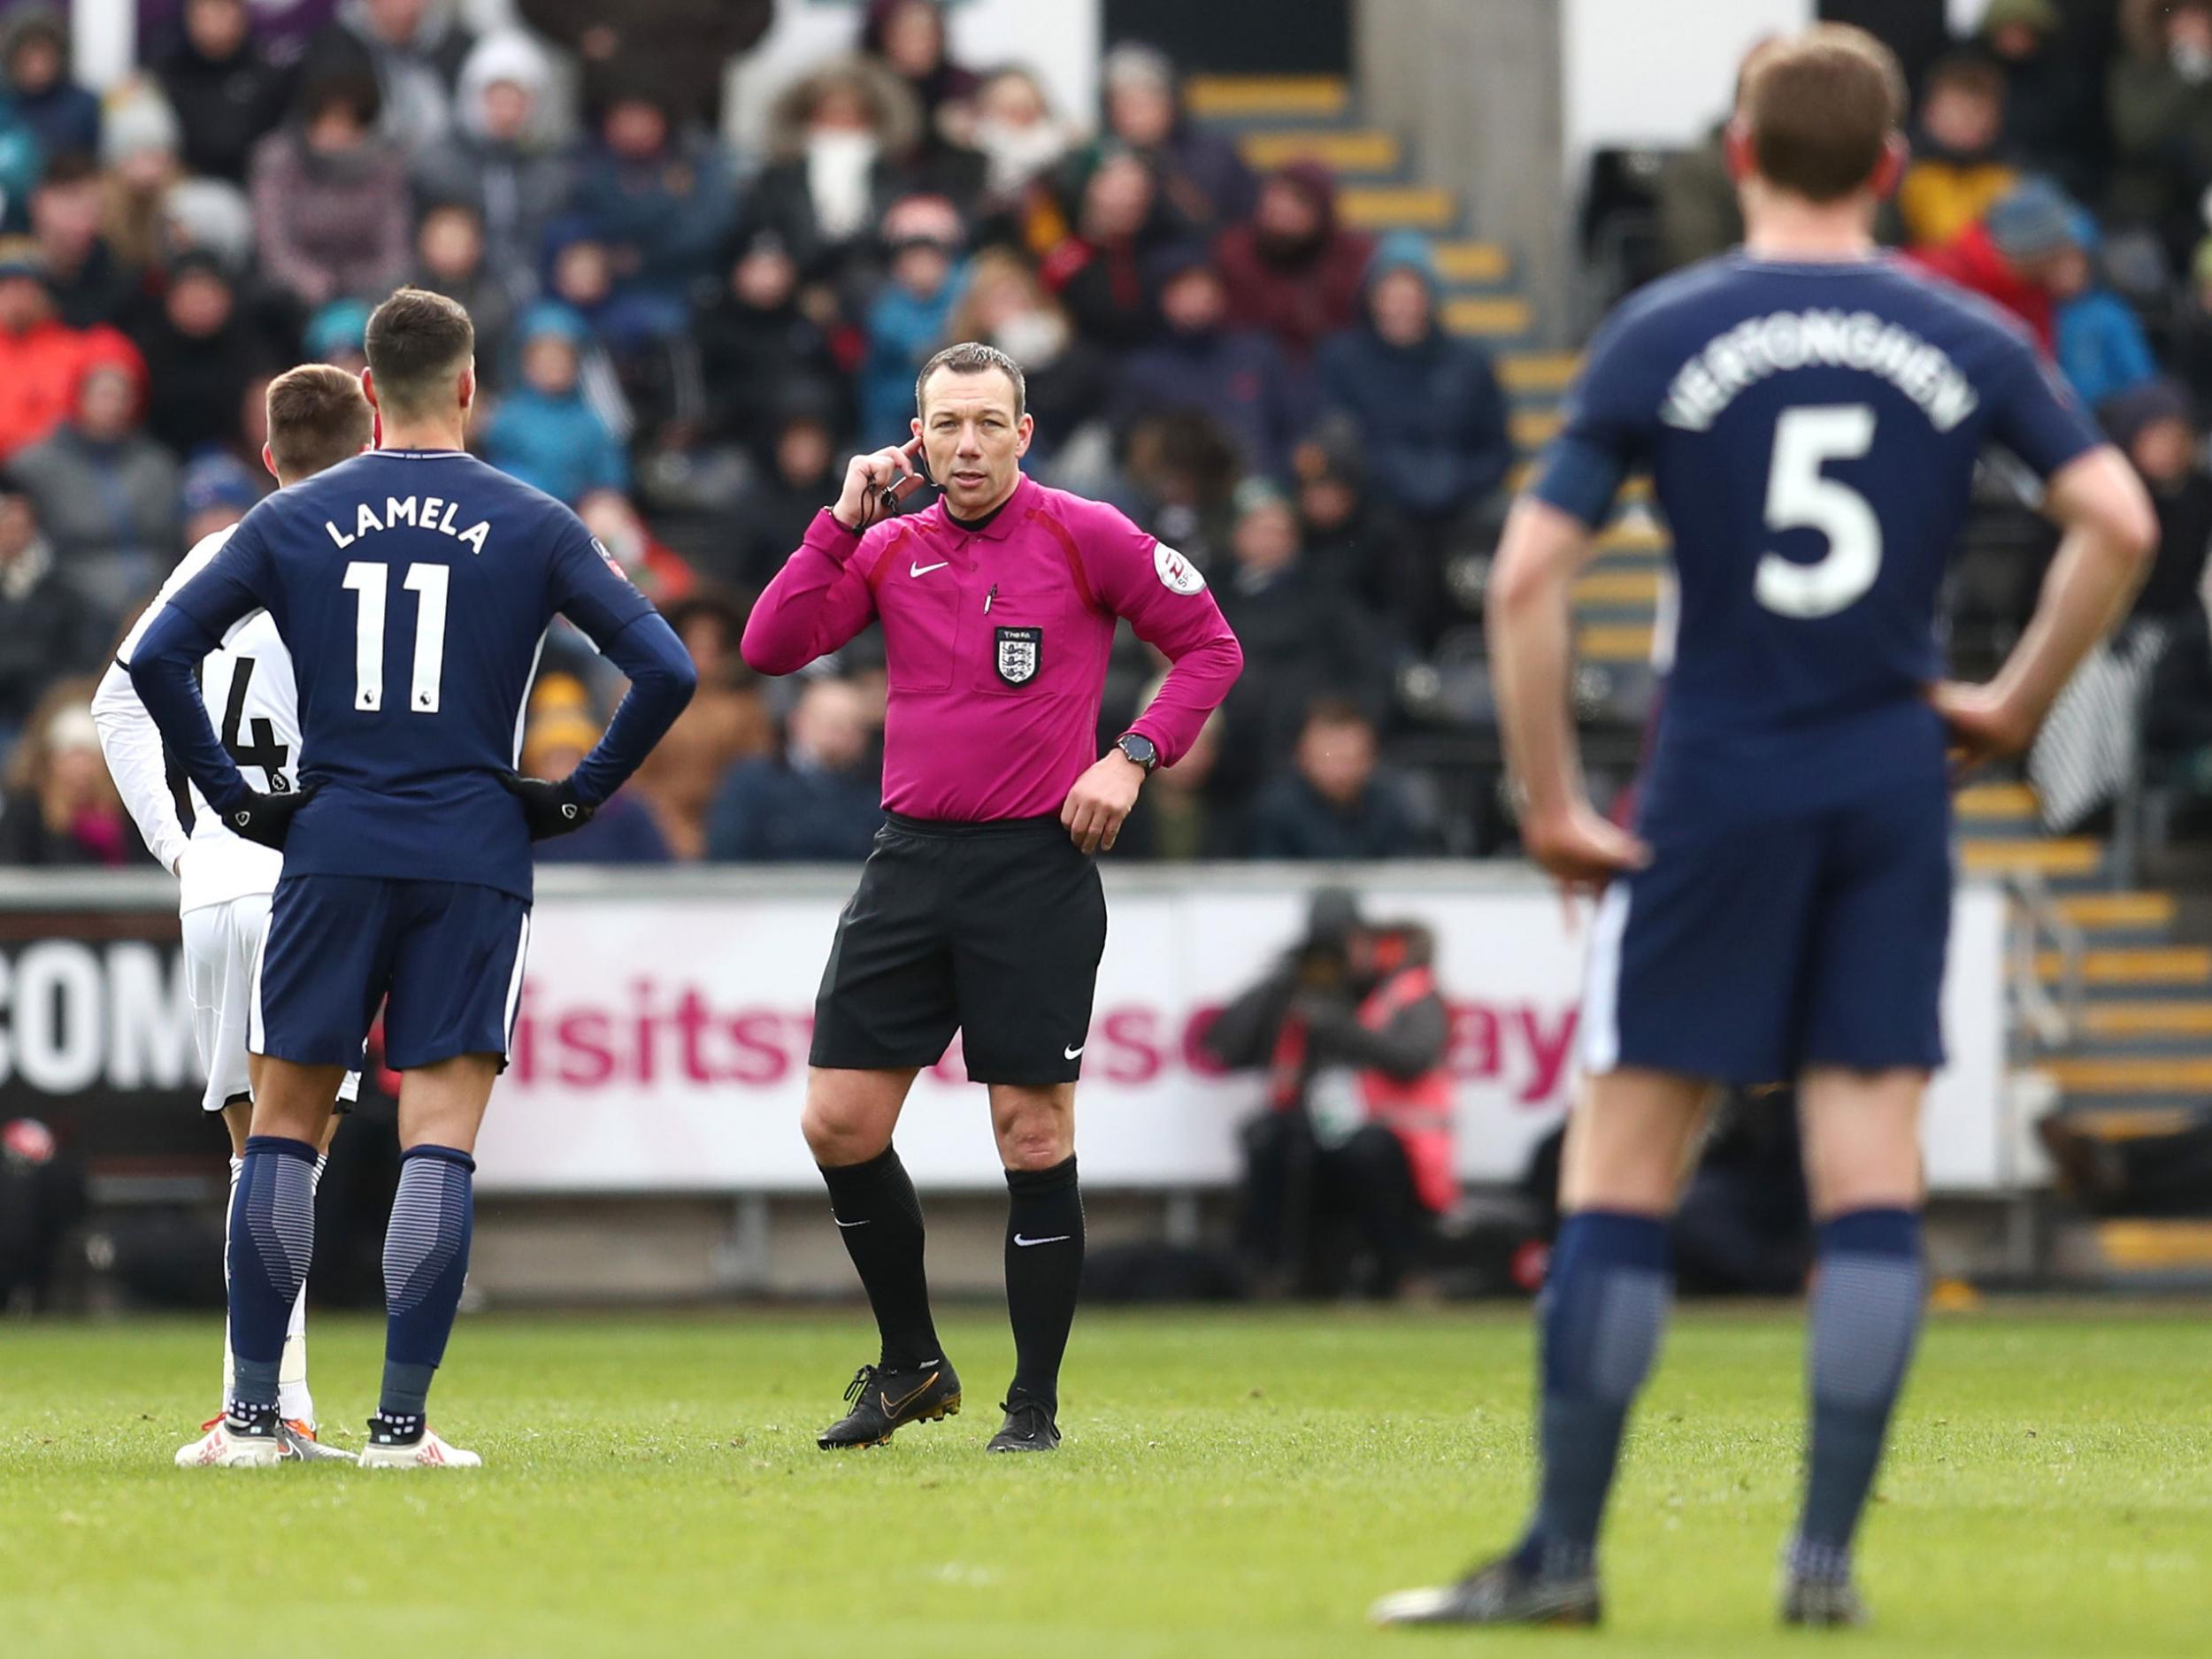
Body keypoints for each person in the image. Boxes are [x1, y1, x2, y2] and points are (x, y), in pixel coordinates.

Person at [1371, 26, 2155, 1630]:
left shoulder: (1668, 328)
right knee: (1870, 1174)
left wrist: (1550, 801)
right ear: (1888, 165)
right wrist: (2010, 701)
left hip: (1718, 772)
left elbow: (1527, 576)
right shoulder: (1966, 331)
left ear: (1736, 155)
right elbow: (2121, 519)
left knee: (1626, 1164)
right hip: (1886, 772)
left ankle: (1565, 1559)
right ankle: (1822, 1565)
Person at [124, 288, 696, 1469]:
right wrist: (575, 793)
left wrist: (235, 797)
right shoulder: (533, 520)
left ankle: (248, 1419)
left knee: (280, 1127)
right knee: (440, 1137)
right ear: (472, 387)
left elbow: (161, 656)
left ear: (369, 393)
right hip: (473, 851)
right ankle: (399, 1427)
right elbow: (667, 665)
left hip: (330, 843)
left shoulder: (292, 517)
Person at [740, 340, 1241, 1455]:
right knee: (837, 1120)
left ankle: (1033, 1407)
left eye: (987, 424)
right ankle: (913, 1362)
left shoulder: (1085, 532)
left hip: (1034, 867)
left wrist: (1133, 756)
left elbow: (1208, 645)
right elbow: (769, 647)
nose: (966, 445)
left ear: (1024, 432)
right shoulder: (888, 546)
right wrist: (839, 518)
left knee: (1029, 1131)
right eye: (945, 426)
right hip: (910, 861)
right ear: (916, 438)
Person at [92, 365, 378, 1464]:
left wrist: (178, 842)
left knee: (249, 1154)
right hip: (318, 875)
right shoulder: (359, 561)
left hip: (216, 880)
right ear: (366, 450)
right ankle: (279, 1406)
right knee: (296, 1153)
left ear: (269, 456)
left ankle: (247, 1409)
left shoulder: (215, 556)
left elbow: (117, 699)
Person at [1203, 890, 1455, 1299]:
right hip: (1311, 1144)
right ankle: (1273, 1274)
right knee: (1270, 1137)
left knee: (1370, 1150)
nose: (1336, 962)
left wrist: (1338, 1025)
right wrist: (1280, 983)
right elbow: (1220, 1046)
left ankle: (1399, 1273)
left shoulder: (1396, 989)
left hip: (1386, 1142)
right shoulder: (1294, 990)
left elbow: (1414, 1058)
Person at [249, 66, 412, 310]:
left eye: (347, 125)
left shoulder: (386, 170)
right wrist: (314, 285)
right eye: (325, 123)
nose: (335, 135)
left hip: (368, 297)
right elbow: (273, 245)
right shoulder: (278, 162)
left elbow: (395, 251)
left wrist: (359, 291)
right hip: (292, 296)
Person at [1214, 161, 1373, 369]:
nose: (1281, 207)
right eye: (1276, 195)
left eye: (1299, 200)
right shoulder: (1231, 253)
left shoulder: (1354, 259)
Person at [707, 676, 883, 862]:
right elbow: (725, 852)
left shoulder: (875, 792)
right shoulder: (752, 783)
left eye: (853, 726)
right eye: (832, 723)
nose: (842, 734)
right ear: (797, 722)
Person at [480, 302, 627, 505]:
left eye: (562, 359)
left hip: (576, 518)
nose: (553, 367)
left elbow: (610, 479)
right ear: (525, 363)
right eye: (543, 359)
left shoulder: (592, 421)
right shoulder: (505, 417)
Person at [0, 680, 157, 867]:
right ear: (52, 762)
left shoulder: (130, 814)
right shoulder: (25, 815)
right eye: (71, 757)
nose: (81, 770)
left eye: (89, 758)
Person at [1247, 698, 1417, 860]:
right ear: (1302, 757)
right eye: (1327, 759)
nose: (1339, 772)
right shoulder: (1275, 810)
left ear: (1371, 758)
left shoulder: (1392, 806)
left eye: (1348, 759)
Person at [0, 475, 102, 742]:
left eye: (20, 522)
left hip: (46, 711)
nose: (11, 530)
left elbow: (82, 660)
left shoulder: (63, 592)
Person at [156, 0, 294, 185]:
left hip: (254, 188)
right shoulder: (167, 75)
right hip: (184, 188)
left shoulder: (270, 76)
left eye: (222, 8)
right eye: (205, 9)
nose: (214, 19)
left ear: (241, 14)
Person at [1896, 55, 2016, 250]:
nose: (1966, 122)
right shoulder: (1902, 176)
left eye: (1978, 112)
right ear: (1929, 112)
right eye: (1956, 110)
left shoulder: (2008, 179)